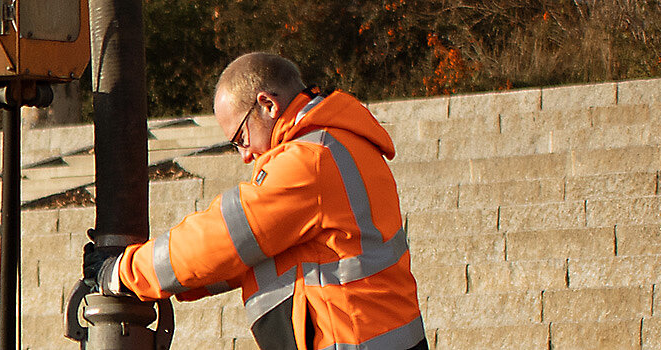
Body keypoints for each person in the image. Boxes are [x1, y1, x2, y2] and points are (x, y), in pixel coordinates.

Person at [86, 52, 428, 350]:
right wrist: (178, 283)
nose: (245, 156)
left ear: (267, 104)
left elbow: (223, 237)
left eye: (241, 138)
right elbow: (255, 257)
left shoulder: (309, 161)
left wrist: (122, 271)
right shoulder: (342, 145)